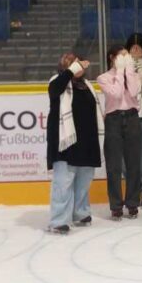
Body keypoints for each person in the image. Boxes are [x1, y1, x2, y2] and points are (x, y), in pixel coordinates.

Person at [46, 53, 104, 234]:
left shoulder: (87, 86)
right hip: (66, 142)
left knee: (83, 182)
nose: (79, 67)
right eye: (73, 64)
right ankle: (59, 220)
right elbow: (55, 89)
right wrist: (71, 71)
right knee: (63, 183)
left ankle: (80, 212)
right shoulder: (57, 82)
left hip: (87, 143)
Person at [97, 46, 142, 220]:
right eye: (121, 56)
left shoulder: (134, 75)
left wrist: (128, 71)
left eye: (127, 56)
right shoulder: (104, 77)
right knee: (114, 165)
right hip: (113, 120)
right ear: (112, 57)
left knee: (133, 164)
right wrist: (120, 71)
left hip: (132, 118)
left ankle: (132, 203)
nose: (125, 58)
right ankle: (116, 205)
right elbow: (115, 94)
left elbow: (133, 91)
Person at [125, 32, 142, 208]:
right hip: (126, 115)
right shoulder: (121, 66)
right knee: (127, 158)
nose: (135, 51)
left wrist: (140, 63)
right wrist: (129, 63)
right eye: (132, 48)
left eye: (139, 48)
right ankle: (132, 191)